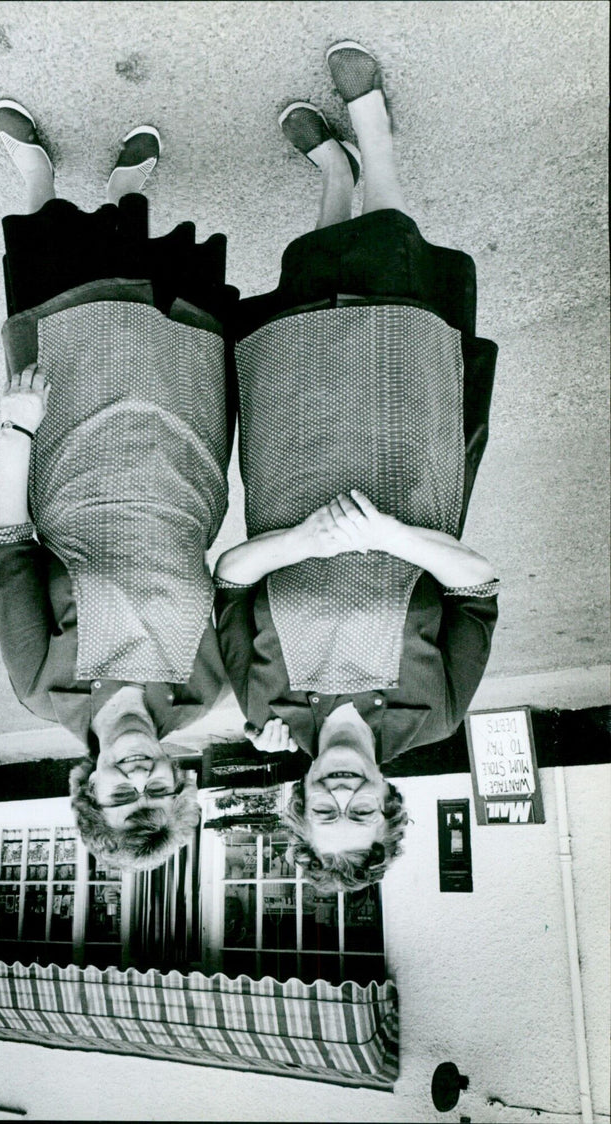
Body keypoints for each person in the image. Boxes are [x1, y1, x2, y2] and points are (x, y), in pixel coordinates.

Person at [214, 42, 500, 892]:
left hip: (292, 472)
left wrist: (301, 541)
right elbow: (479, 587)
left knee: (308, 307)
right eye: (362, 812)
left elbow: (229, 582)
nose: (342, 797)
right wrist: (393, 535)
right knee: (392, 290)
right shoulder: (436, 714)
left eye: (324, 812)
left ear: (298, 803)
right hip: (407, 461)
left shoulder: (263, 711)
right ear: (389, 801)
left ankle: (332, 179)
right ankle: (372, 138)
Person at [0, 99, 238, 870]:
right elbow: (243, 585)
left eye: (121, 798)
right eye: (158, 795)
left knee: (58, 302)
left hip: (72, 446)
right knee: (156, 309)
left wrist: (18, 428)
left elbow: (5, 550)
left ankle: (39, 179)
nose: (139, 781)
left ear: (86, 785)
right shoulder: (206, 690)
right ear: (178, 784)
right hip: (183, 454)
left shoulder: (42, 688)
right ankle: (128, 191)